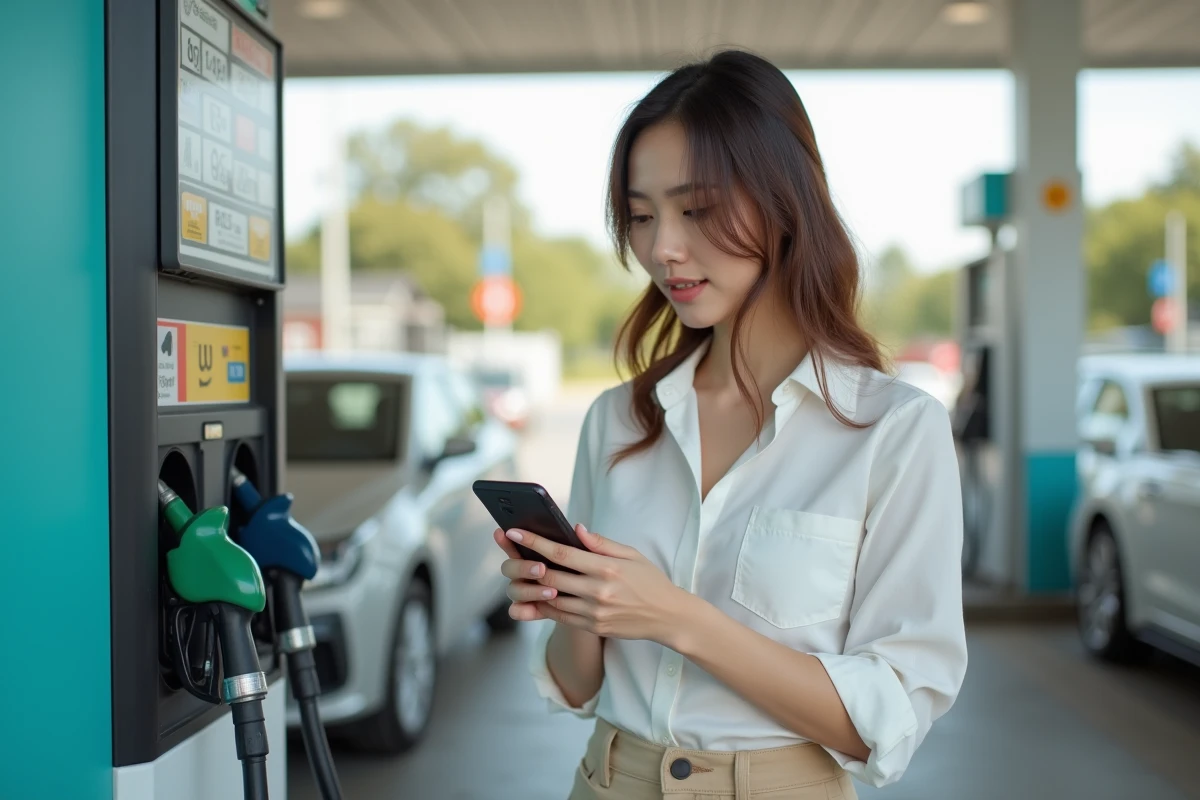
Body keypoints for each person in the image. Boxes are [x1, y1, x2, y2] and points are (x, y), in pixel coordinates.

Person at [493, 49, 967, 800]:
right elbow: (575, 684)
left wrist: (675, 616)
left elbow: (885, 719)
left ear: (784, 202)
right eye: (642, 216)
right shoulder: (618, 420)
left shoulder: (894, 431)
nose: (661, 248)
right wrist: (574, 602)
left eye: (697, 209)